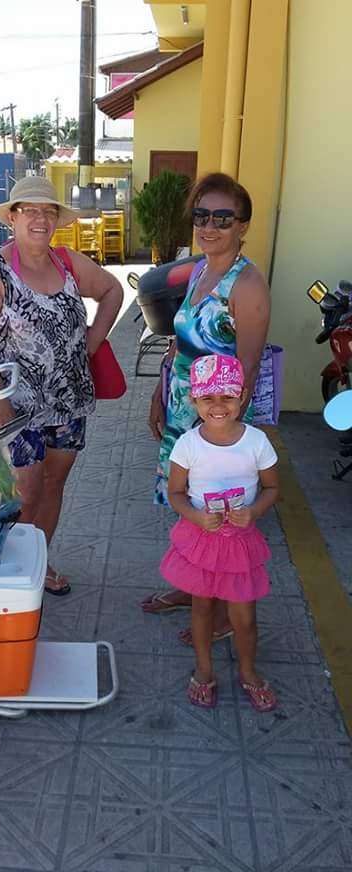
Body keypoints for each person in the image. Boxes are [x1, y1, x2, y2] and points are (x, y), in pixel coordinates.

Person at [0, 176, 123, 595]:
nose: (40, 219)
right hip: (18, 409)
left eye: (48, 211)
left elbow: (112, 290)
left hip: (70, 403)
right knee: (24, 494)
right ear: (12, 217)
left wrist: (92, 341)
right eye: (29, 210)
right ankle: (7, 569)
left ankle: (39, 562)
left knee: (54, 486)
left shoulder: (67, 262)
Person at [142, 172, 271, 646]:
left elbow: (248, 373)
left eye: (222, 218)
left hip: (216, 424)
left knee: (216, 516)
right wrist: (160, 393)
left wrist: (214, 438)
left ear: (243, 225)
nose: (209, 226)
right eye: (201, 215)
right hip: (183, 410)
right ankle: (193, 586)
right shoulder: (199, 271)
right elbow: (181, 341)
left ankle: (218, 612)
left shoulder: (247, 285)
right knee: (188, 507)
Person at [160, 353, 279, 710]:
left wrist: (253, 512)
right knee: (202, 609)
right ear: (194, 399)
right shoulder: (187, 445)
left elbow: (273, 488)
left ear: (242, 396)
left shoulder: (257, 442)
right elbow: (175, 493)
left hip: (240, 543)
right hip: (202, 539)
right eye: (208, 397)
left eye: (227, 396)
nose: (217, 406)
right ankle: (204, 670)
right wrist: (196, 517)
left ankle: (248, 672)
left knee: (245, 617)